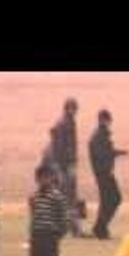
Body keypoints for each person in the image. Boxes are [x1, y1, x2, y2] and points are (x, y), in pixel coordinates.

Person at [28, 165, 68, 256]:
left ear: (52, 178)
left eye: (46, 177)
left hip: (50, 236)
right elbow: (34, 216)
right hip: (36, 235)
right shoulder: (34, 196)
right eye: (40, 178)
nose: (43, 181)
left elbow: (64, 218)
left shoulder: (57, 196)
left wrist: (58, 234)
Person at [89, 109, 128, 240]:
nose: (109, 123)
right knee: (114, 199)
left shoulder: (101, 134)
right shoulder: (99, 135)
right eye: (107, 120)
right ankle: (100, 228)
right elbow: (103, 154)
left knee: (108, 201)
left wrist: (118, 153)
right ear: (102, 120)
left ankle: (100, 227)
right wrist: (115, 154)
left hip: (104, 173)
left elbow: (105, 152)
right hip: (104, 174)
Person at [49, 98, 84, 236]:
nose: (74, 111)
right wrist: (64, 166)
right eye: (72, 108)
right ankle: (73, 229)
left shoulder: (67, 122)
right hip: (65, 167)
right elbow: (61, 147)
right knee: (68, 198)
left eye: (75, 108)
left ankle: (72, 228)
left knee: (68, 197)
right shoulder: (64, 124)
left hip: (66, 166)